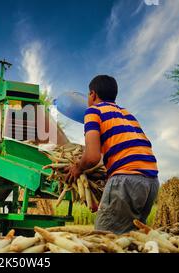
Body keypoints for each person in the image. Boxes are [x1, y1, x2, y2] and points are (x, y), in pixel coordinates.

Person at [65, 75, 159, 234]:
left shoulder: (93, 112)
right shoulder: (127, 114)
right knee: (130, 240)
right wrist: (102, 198)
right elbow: (120, 156)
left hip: (126, 179)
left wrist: (77, 168)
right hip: (151, 183)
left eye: (88, 94)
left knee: (103, 240)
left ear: (92, 94)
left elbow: (92, 157)